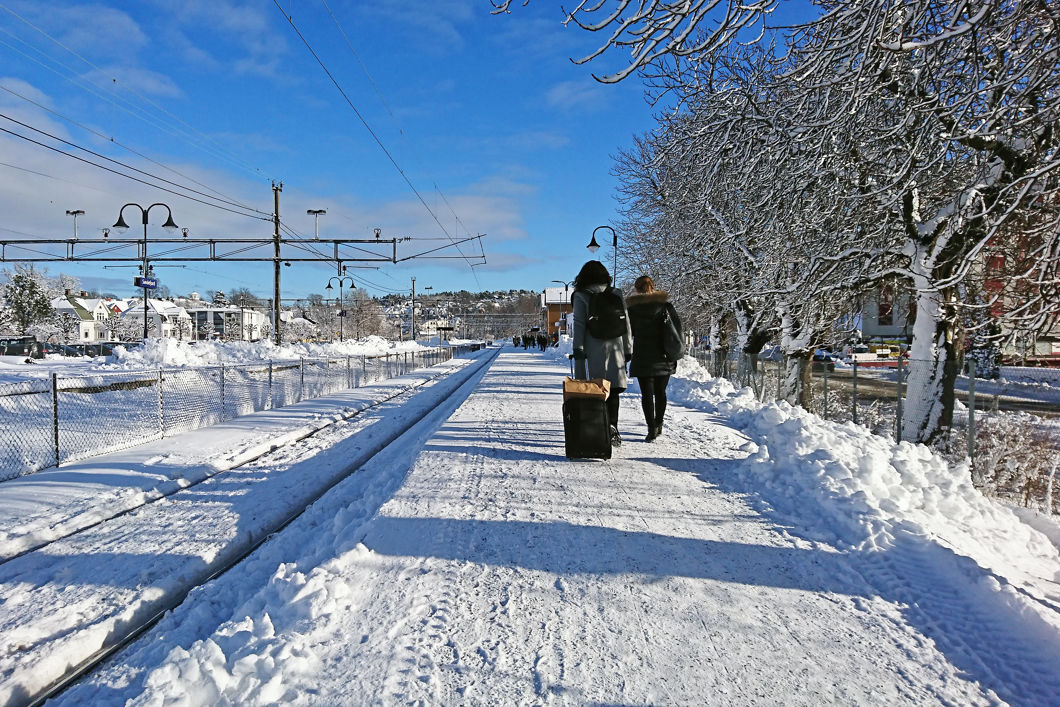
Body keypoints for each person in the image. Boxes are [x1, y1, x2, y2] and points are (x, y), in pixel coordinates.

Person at [571, 260, 632, 446]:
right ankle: (612, 425)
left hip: (593, 348)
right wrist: (628, 349)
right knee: (613, 391)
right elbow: (626, 324)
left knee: (595, 390)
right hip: (616, 348)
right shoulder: (616, 293)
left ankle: (597, 429)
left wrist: (578, 349)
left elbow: (579, 324)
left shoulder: (581, 296)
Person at [625, 275, 682, 442]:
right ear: (653, 287)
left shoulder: (633, 310)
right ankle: (659, 423)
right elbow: (677, 329)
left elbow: (630, 332)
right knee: (661, 392)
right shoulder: (665, 306)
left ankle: (651, 428)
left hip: (643, 355)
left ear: (637, 289)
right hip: (664, 355)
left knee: (647, 394)